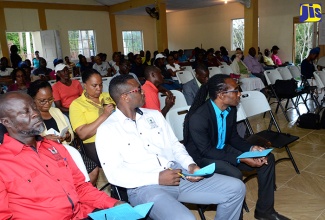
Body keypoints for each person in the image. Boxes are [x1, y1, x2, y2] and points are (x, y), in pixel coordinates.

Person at [95, 74, 246, 220]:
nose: (143, 92)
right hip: (145, 188)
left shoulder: (154, 116)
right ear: (125, 97)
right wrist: (157, 178)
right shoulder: (108, 130)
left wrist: (190, 165)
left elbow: (175, 146)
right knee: (185, 218)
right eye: (138, 90)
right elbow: (115, 174)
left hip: (178, 174)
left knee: (236, 188)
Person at [183, 74, 290, 220]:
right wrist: (241, 159)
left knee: (267, 158)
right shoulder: (199, 117)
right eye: (236, 90)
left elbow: (233, 137)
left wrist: (252, 149)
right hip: (203, 158)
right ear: (221, 95)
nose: (239, 93)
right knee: (234, 174)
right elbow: (206, 151)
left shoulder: (230, 109)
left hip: (222, 149)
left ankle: (265, 211)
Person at [0, 92, 121, 219]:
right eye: (25, 112)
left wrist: (114, 203)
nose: (35, 113)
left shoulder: (55, 148)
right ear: (7, 122)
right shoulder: (3, 162)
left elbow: (81, 187)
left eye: (34, 107)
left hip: (81, 215)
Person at [27, 79, 99, 186]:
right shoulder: (29, 118)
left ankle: (81, 194)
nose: (48, 103)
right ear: (32, 100)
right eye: (42, 101)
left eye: (50, 99)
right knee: (66, 177)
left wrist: (67, 136)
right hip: (46, 157)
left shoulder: (56, 111)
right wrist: (44, 140)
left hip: (65, 150)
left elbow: (70, 133)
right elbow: (27, 142)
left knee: (93, 170)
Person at [69, 69, 115, 167]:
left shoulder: (108, 96)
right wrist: (104, 115)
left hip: (116, 137)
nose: (99, 88)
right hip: (95, 144)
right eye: (94, 85)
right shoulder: (77, 105)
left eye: (101, 84)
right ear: (84, 86)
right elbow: (82, 133)